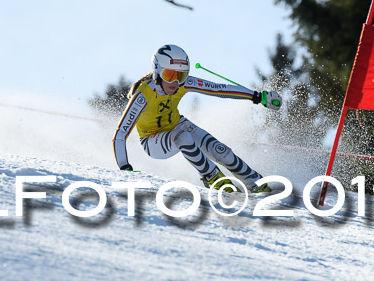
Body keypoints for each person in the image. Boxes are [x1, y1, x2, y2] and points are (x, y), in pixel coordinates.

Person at [113, 44, 282, 192]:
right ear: (157, 71)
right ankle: (213, 178)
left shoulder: (182, 84)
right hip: (152, 141)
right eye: (170, 75)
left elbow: (218, 89)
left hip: (177, 125)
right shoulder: (143, 95)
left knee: (221, 151)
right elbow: (120, 134)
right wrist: (125, 168)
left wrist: (258, 96)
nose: (175, 82)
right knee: (184, 137)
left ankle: (256, 183)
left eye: (181, 75)